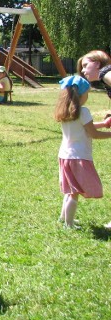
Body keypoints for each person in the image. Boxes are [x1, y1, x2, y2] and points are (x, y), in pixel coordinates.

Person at [54, 76, 111, 228]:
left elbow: (85, 126)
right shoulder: (83, 111)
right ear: (82, 95)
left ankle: (64, 217)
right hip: (79, 157)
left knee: (70, 190)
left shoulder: (66, 111)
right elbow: (93, 133)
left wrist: (104, 124)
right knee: (74, 192)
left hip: (65, 155)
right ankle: (69, 224)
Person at [78, 50, 111, 115]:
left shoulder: (105, 74)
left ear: (97, 64)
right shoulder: (105, 78)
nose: (82, 70)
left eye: (85, 65)